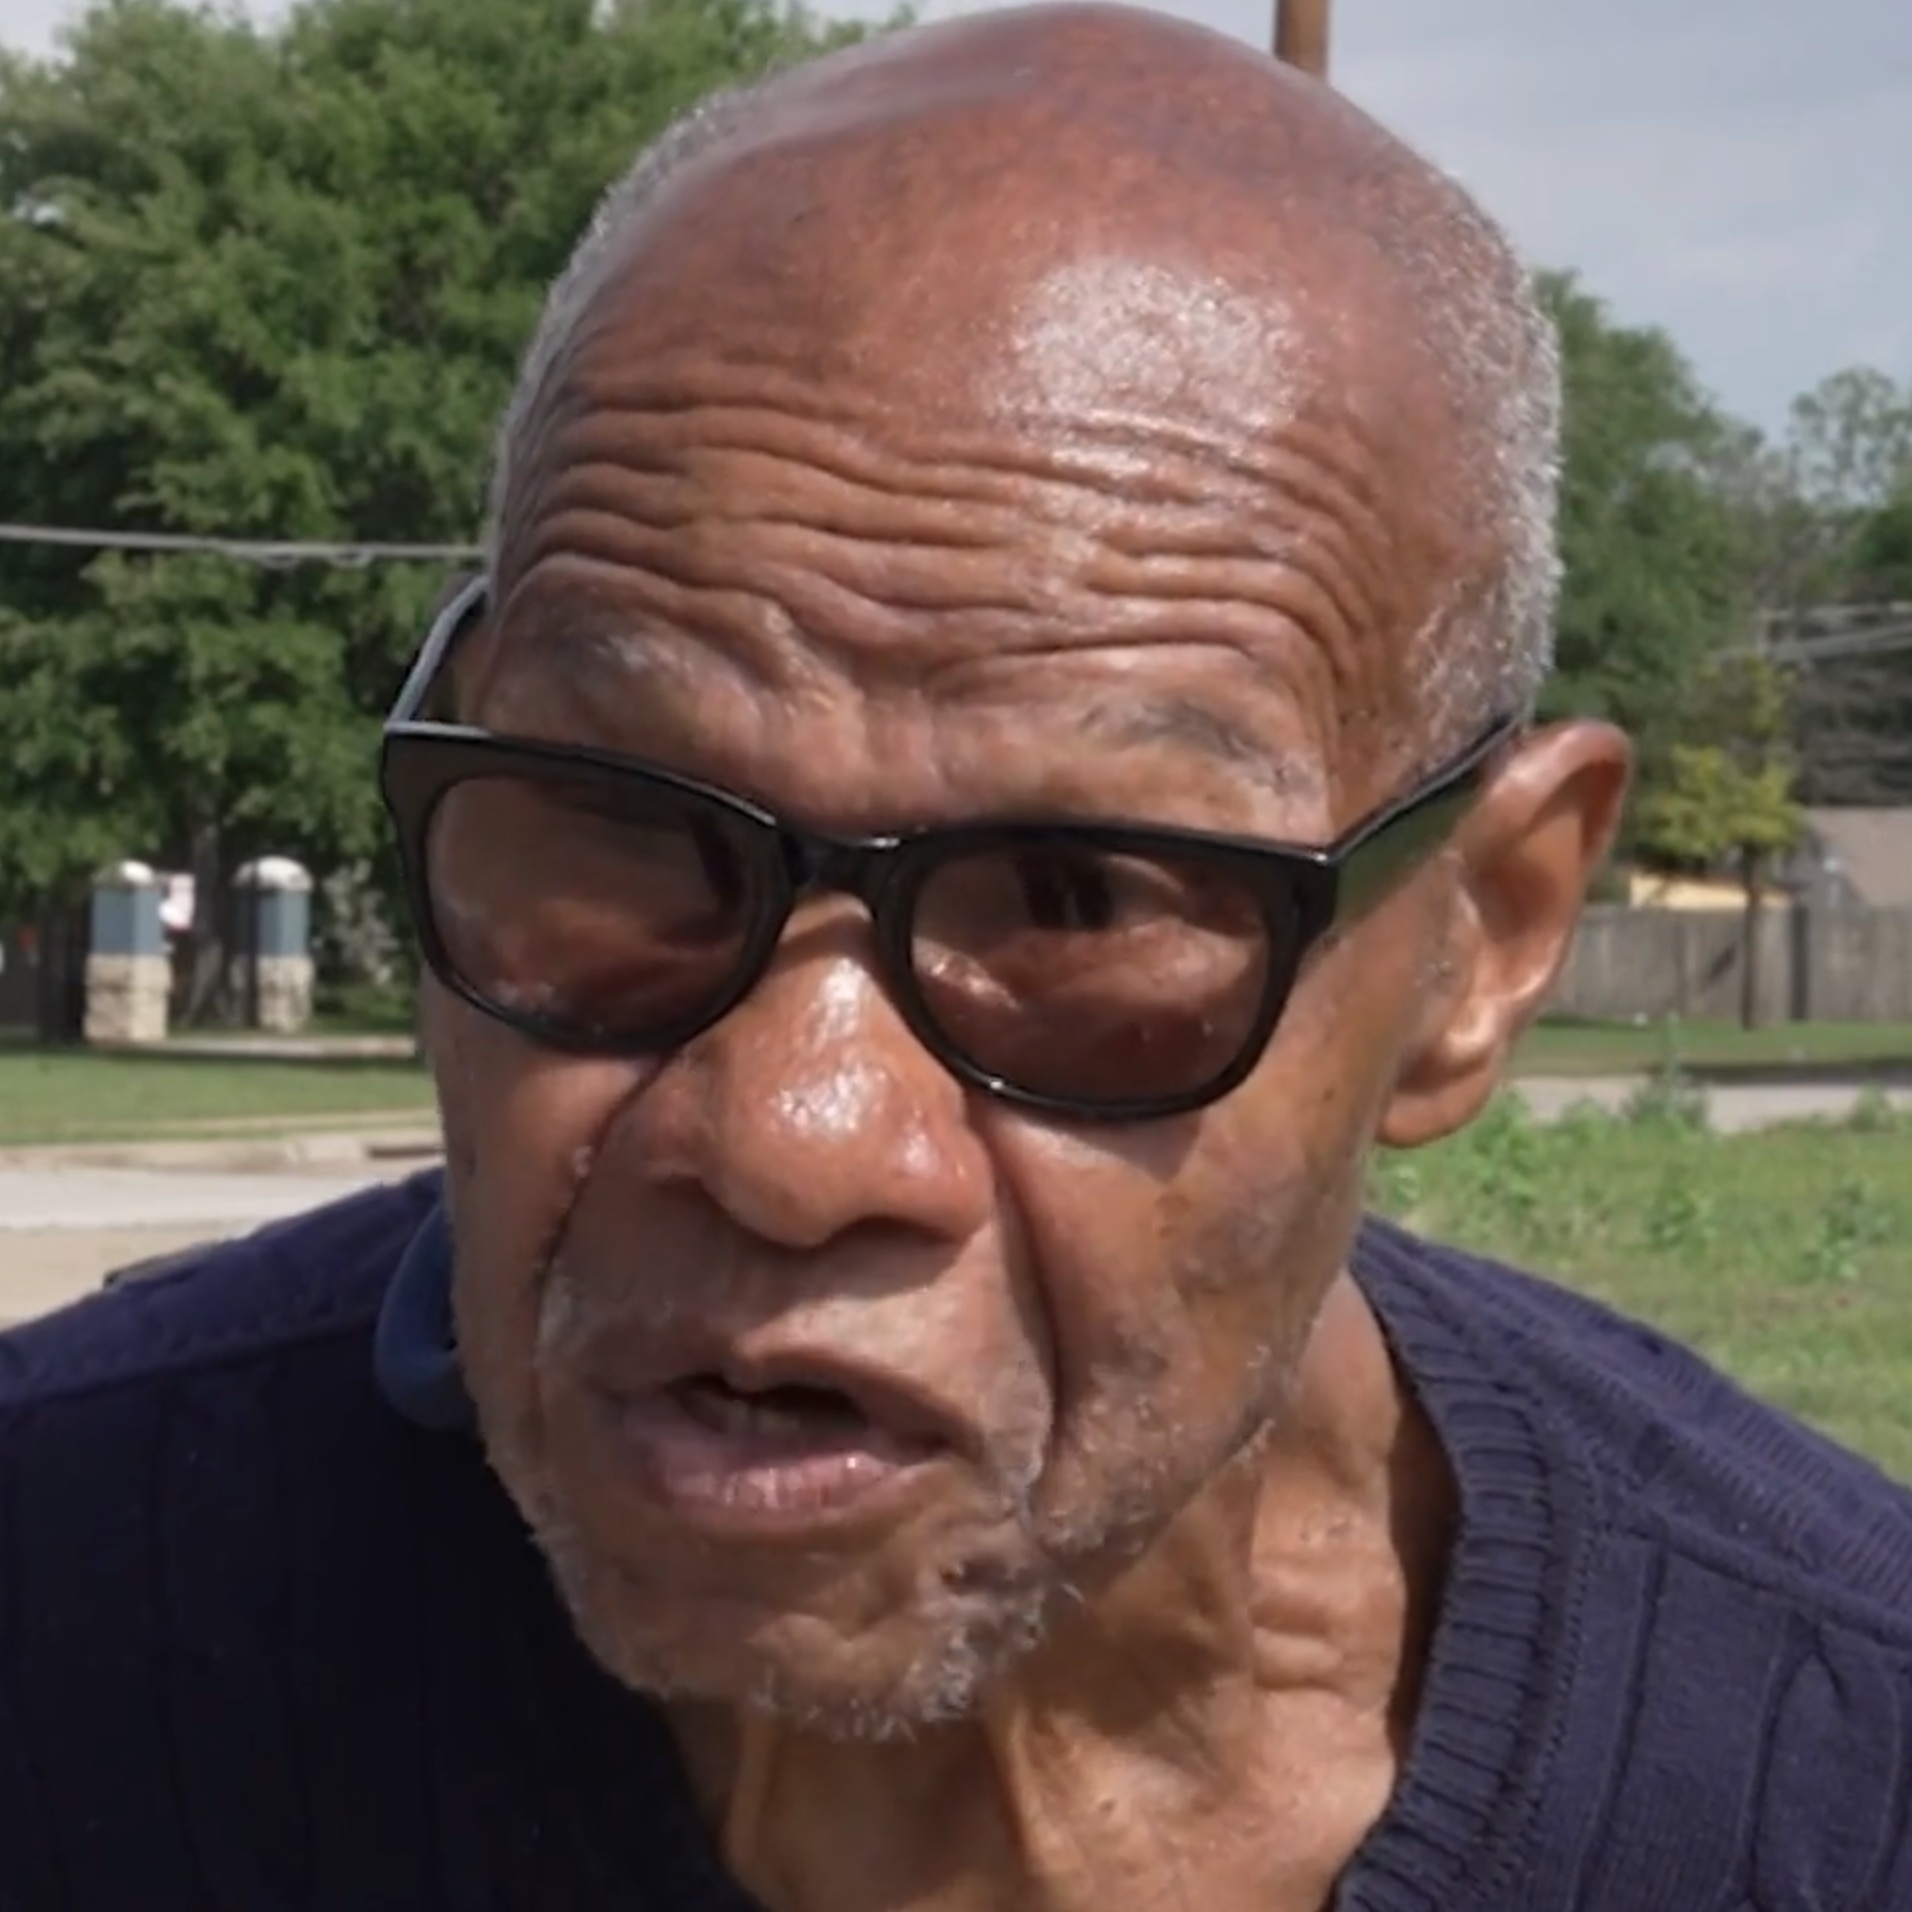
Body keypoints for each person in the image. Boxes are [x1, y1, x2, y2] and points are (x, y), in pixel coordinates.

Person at [4, 7, 1910, 1909]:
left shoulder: (1826, 1786)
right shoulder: (72, 1613)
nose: (788, 1137)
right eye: (629, 836)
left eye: (1078, 899)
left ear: (1479, 943)